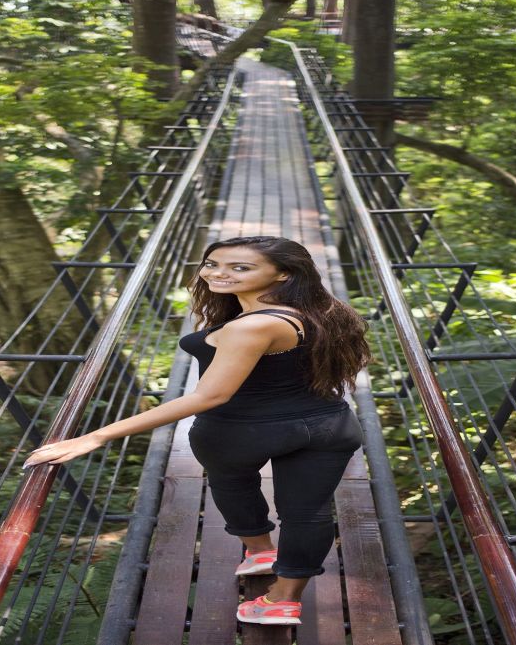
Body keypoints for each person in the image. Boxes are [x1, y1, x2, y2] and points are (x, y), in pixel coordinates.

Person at [24, 235, 371, 626]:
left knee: (232, 484)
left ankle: (260, 551)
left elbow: (210, 395)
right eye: (211, 264)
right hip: (326, 426)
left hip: (240, 431)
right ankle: (283, 601)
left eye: (240, 268)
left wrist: (97, 436)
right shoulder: (317, 311)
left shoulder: (252, 326)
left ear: (283, 274)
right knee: (307, 513)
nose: (219, 273)